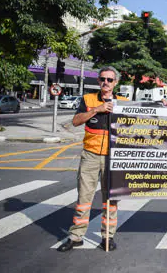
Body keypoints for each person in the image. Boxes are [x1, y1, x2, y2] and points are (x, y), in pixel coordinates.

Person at [58, 66, 128, 252]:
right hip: (90, 154)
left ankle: (108, 237)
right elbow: (75, 121)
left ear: (116, 83)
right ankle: (76, 236)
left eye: (110, 80)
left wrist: (163, 107)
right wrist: (97, 109)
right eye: (102, 79)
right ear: (98, 81)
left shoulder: (124, 102)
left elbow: (145, 119)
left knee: (111, 199)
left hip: (113, 157)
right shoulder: (88, 99)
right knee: (84, 197)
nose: (105, 82)